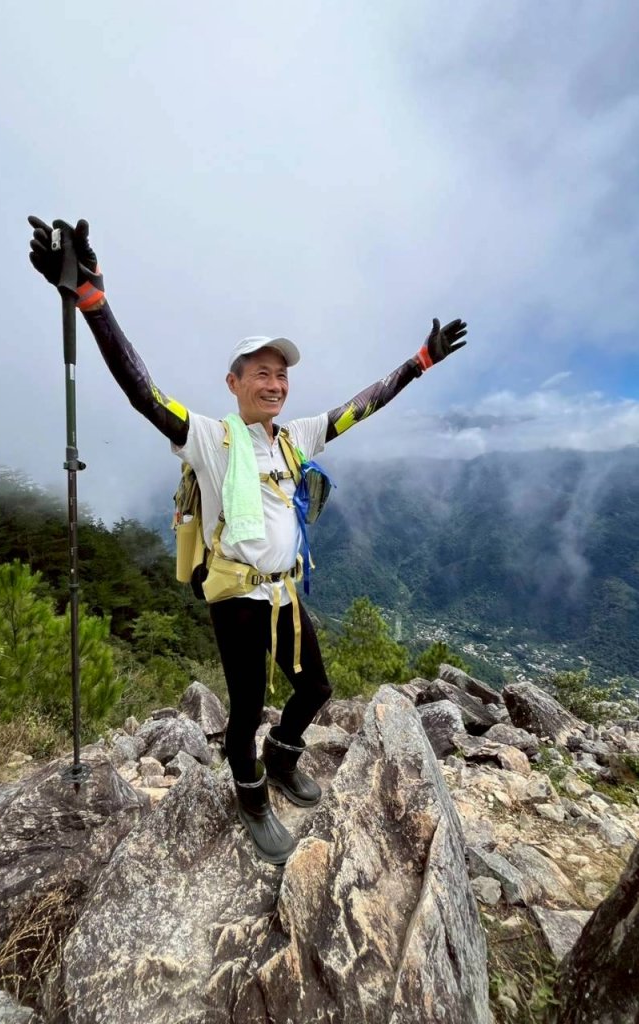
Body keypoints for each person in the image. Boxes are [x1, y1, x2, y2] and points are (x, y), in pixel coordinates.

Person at [28, 216, 467, 865]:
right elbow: (143, 392)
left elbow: (363, 404)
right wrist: (94, 301)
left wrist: (419, 363)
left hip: (283, 592)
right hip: (235, 593)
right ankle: (253, 796)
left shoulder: (296, 438)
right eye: (261, 372)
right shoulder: (211, 438)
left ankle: (282, 758)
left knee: (315, 689)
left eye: (282, 375)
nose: (276, 383)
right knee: (246, 709)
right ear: (233, 383)